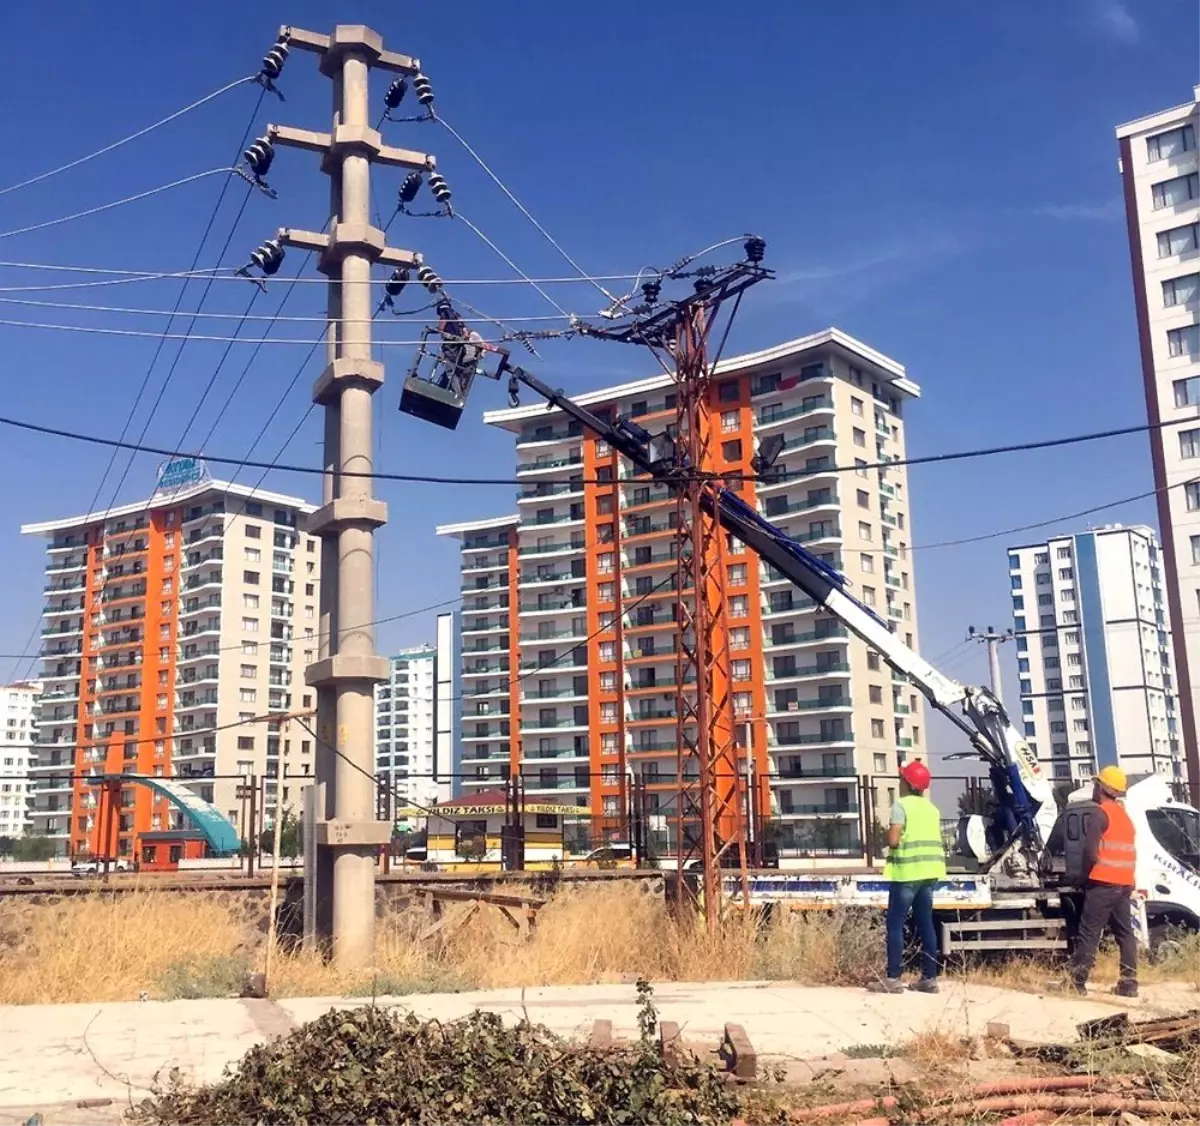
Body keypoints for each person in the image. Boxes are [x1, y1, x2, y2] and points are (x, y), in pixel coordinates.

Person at [868, 760, 947, 994]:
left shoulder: (900, 806)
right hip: (929, 874)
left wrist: (887, 835)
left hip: (907, 874)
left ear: (907, 782)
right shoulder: (932, 809)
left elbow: (893, 840)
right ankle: (929, 979)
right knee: (926, 924)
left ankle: (893, 979)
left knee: (895, 923)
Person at [1071, 765, 1138, 997]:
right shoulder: (1125, 816)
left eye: (1095, 783)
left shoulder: (1100, 813)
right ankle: (1129, 984)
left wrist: (1081, 878)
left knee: (1089, 932)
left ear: (1101, 787)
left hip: (1102, 883)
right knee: (1125, 933)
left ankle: (1077, 982)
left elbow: (1090, 852)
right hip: (1124, 884)